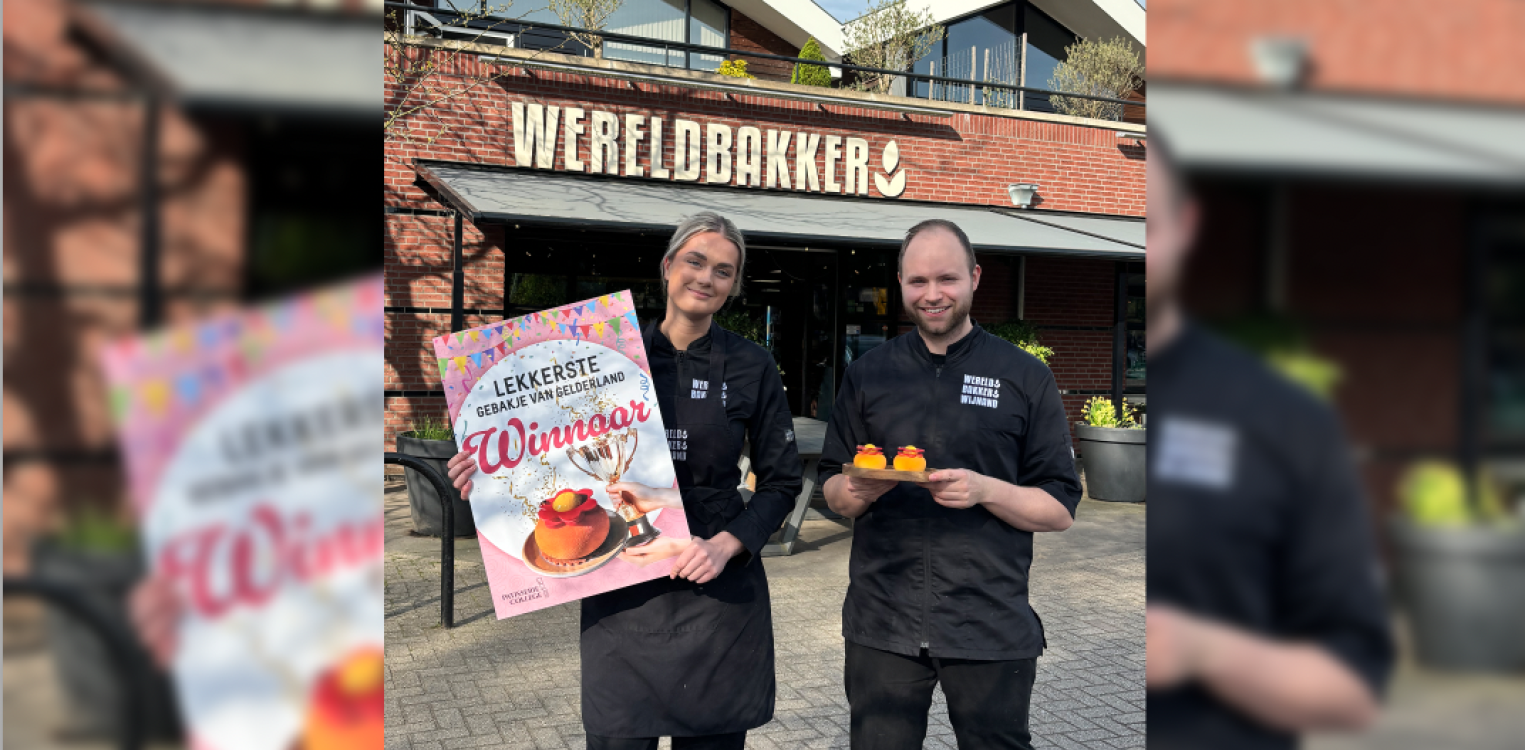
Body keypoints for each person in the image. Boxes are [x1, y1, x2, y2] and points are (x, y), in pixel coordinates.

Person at [447, 211, 802, 750]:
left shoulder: (752, 364)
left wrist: (729, 545)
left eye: (724, 271)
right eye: (695, 261)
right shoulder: (601, 356)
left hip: (718, 587)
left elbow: (781, 484)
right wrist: (487, 471)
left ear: (734, 286)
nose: (706, 278)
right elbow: (545, 456)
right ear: (667, 267)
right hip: (622, 590)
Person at [1144, 131, 1393, 748]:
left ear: (1186, 225)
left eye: (1142, 222)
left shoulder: (1282, 415)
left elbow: (1354, 688)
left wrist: (1205, 651)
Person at [816, 219, 1082, 750]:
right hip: (881, 622)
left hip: (988, 622)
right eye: (917, 281)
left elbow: (1059, 507)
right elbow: (831, 487)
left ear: (975, 277)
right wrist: (858, 492)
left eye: (947, 279)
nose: (932, 295)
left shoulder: (1024, 376)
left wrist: (987, 490)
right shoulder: (869, 373)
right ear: (900, 284)